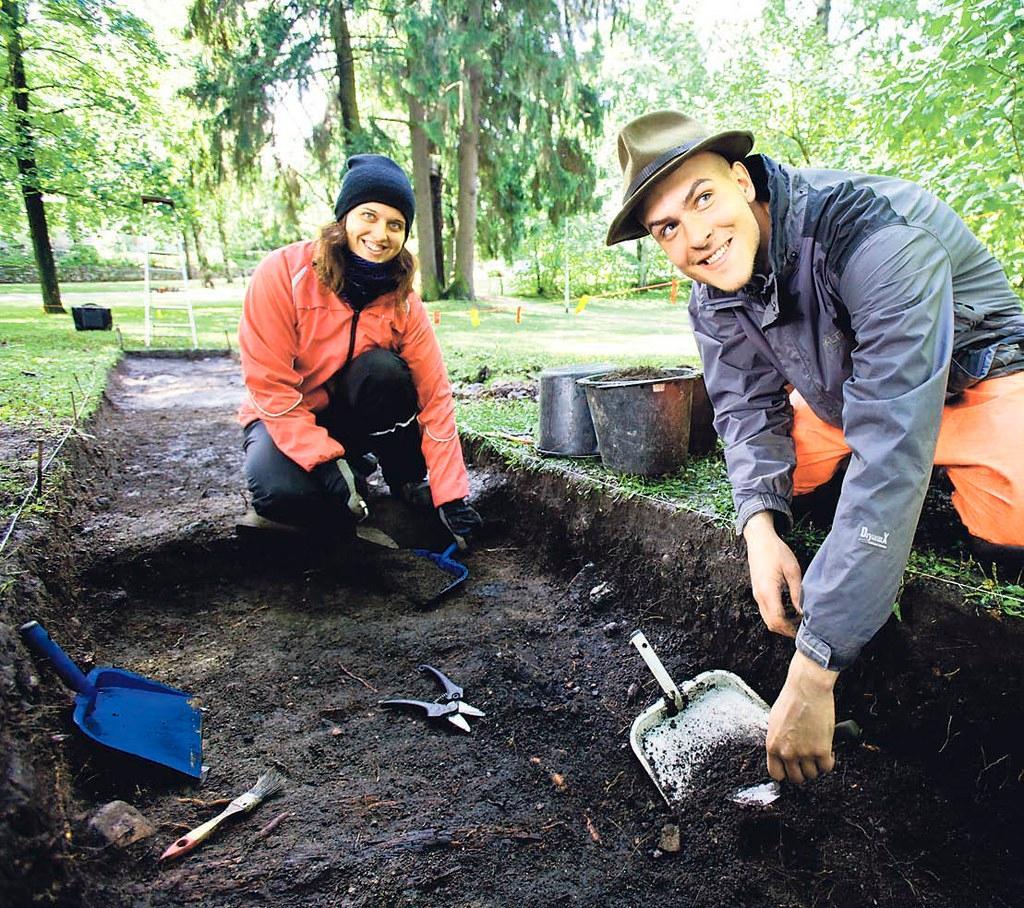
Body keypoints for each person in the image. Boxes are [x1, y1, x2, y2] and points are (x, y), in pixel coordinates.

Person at [605, 110, 1024, 785]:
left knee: (1013, 517)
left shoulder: (875, 236)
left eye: (703, 198)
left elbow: (891, 448)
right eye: (668, 228)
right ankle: (862, 515)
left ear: (742, 180)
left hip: (967, 378)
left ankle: (949, 486)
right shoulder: (713, 291)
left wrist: (815, 667)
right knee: (786, 483)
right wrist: (760, 529)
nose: (697, 238)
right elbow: (744, 409)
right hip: (848, 394)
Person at [237, 153, 482, 549]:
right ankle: (342, 481)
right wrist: (323, 460)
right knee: (281, 496)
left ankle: (402, 479)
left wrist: (450, 492)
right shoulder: (281, 274)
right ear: (344, 217)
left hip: (352, 417)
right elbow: (270, 387)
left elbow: (435, 397)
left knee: (382, 370)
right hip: (282, 417)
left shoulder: (404, 302)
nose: (380, 233)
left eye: (395, 224)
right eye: (368, 215)